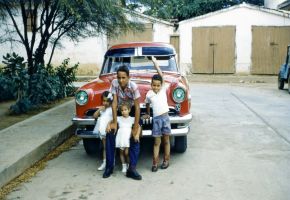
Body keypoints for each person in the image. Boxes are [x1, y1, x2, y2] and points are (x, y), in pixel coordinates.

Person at [103, 65, 142, 180]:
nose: (121, 80)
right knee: (110, 132)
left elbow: (138, 107)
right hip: (120, 110)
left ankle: (132, 168)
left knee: (136, 136)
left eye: (123, 78)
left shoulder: (133, 87)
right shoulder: (115, 83)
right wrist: (114, 122)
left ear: (128, 77)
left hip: (132, 110)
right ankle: (109, 167)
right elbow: (114, 103)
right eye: (119, 77)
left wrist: (135, 126)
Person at [143, 56, 171, 172]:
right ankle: (155, 163)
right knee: (156, 142)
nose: (156, 87)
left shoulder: (163, 88)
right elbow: (147, 104)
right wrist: (148, 113)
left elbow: (160, 73)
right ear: (151, 85)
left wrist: (155, 62)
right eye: (154, 85)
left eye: (158, 85)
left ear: (161, 85)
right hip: (156, 120)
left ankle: (166, 160)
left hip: (165, 118)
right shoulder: (149, 94)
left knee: (166, 140)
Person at [115, 102, 139, 174]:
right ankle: (123, 165)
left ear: (129, 110)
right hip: (120, 137)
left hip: (127, 138)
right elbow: (111, 121)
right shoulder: (119, 118)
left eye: (125, 110)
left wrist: (137, 134)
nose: (123, 112)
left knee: (127, 153)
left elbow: (138, 126)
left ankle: (129, 165)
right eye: (122, 110)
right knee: (121, 152)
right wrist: (108, 125)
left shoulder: (132, 119)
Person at [92, 91, 113, 171]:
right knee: (105, 147)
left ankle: (111, 162)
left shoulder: (112, 109)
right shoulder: (102, 109)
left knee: (110, 147)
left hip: (110, 130)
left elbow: (114, 119)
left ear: (110, 101)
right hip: (102, 130)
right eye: (104, 101)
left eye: (107, 101)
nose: (105, 103)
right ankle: (104, 162)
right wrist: (99, 110)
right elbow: (94, 116)